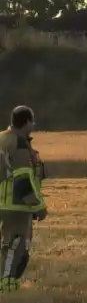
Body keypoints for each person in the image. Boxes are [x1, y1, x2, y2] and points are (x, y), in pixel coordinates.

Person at [0, 106, 47, 293]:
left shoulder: (2, 138)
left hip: (3, 202)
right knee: (15, 247)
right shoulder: (19, 144)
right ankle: (7, 287)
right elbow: (22, 182)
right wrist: (38, 206)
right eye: (32, 121)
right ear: (26, 122)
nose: (33, 125)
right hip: (15, 205)